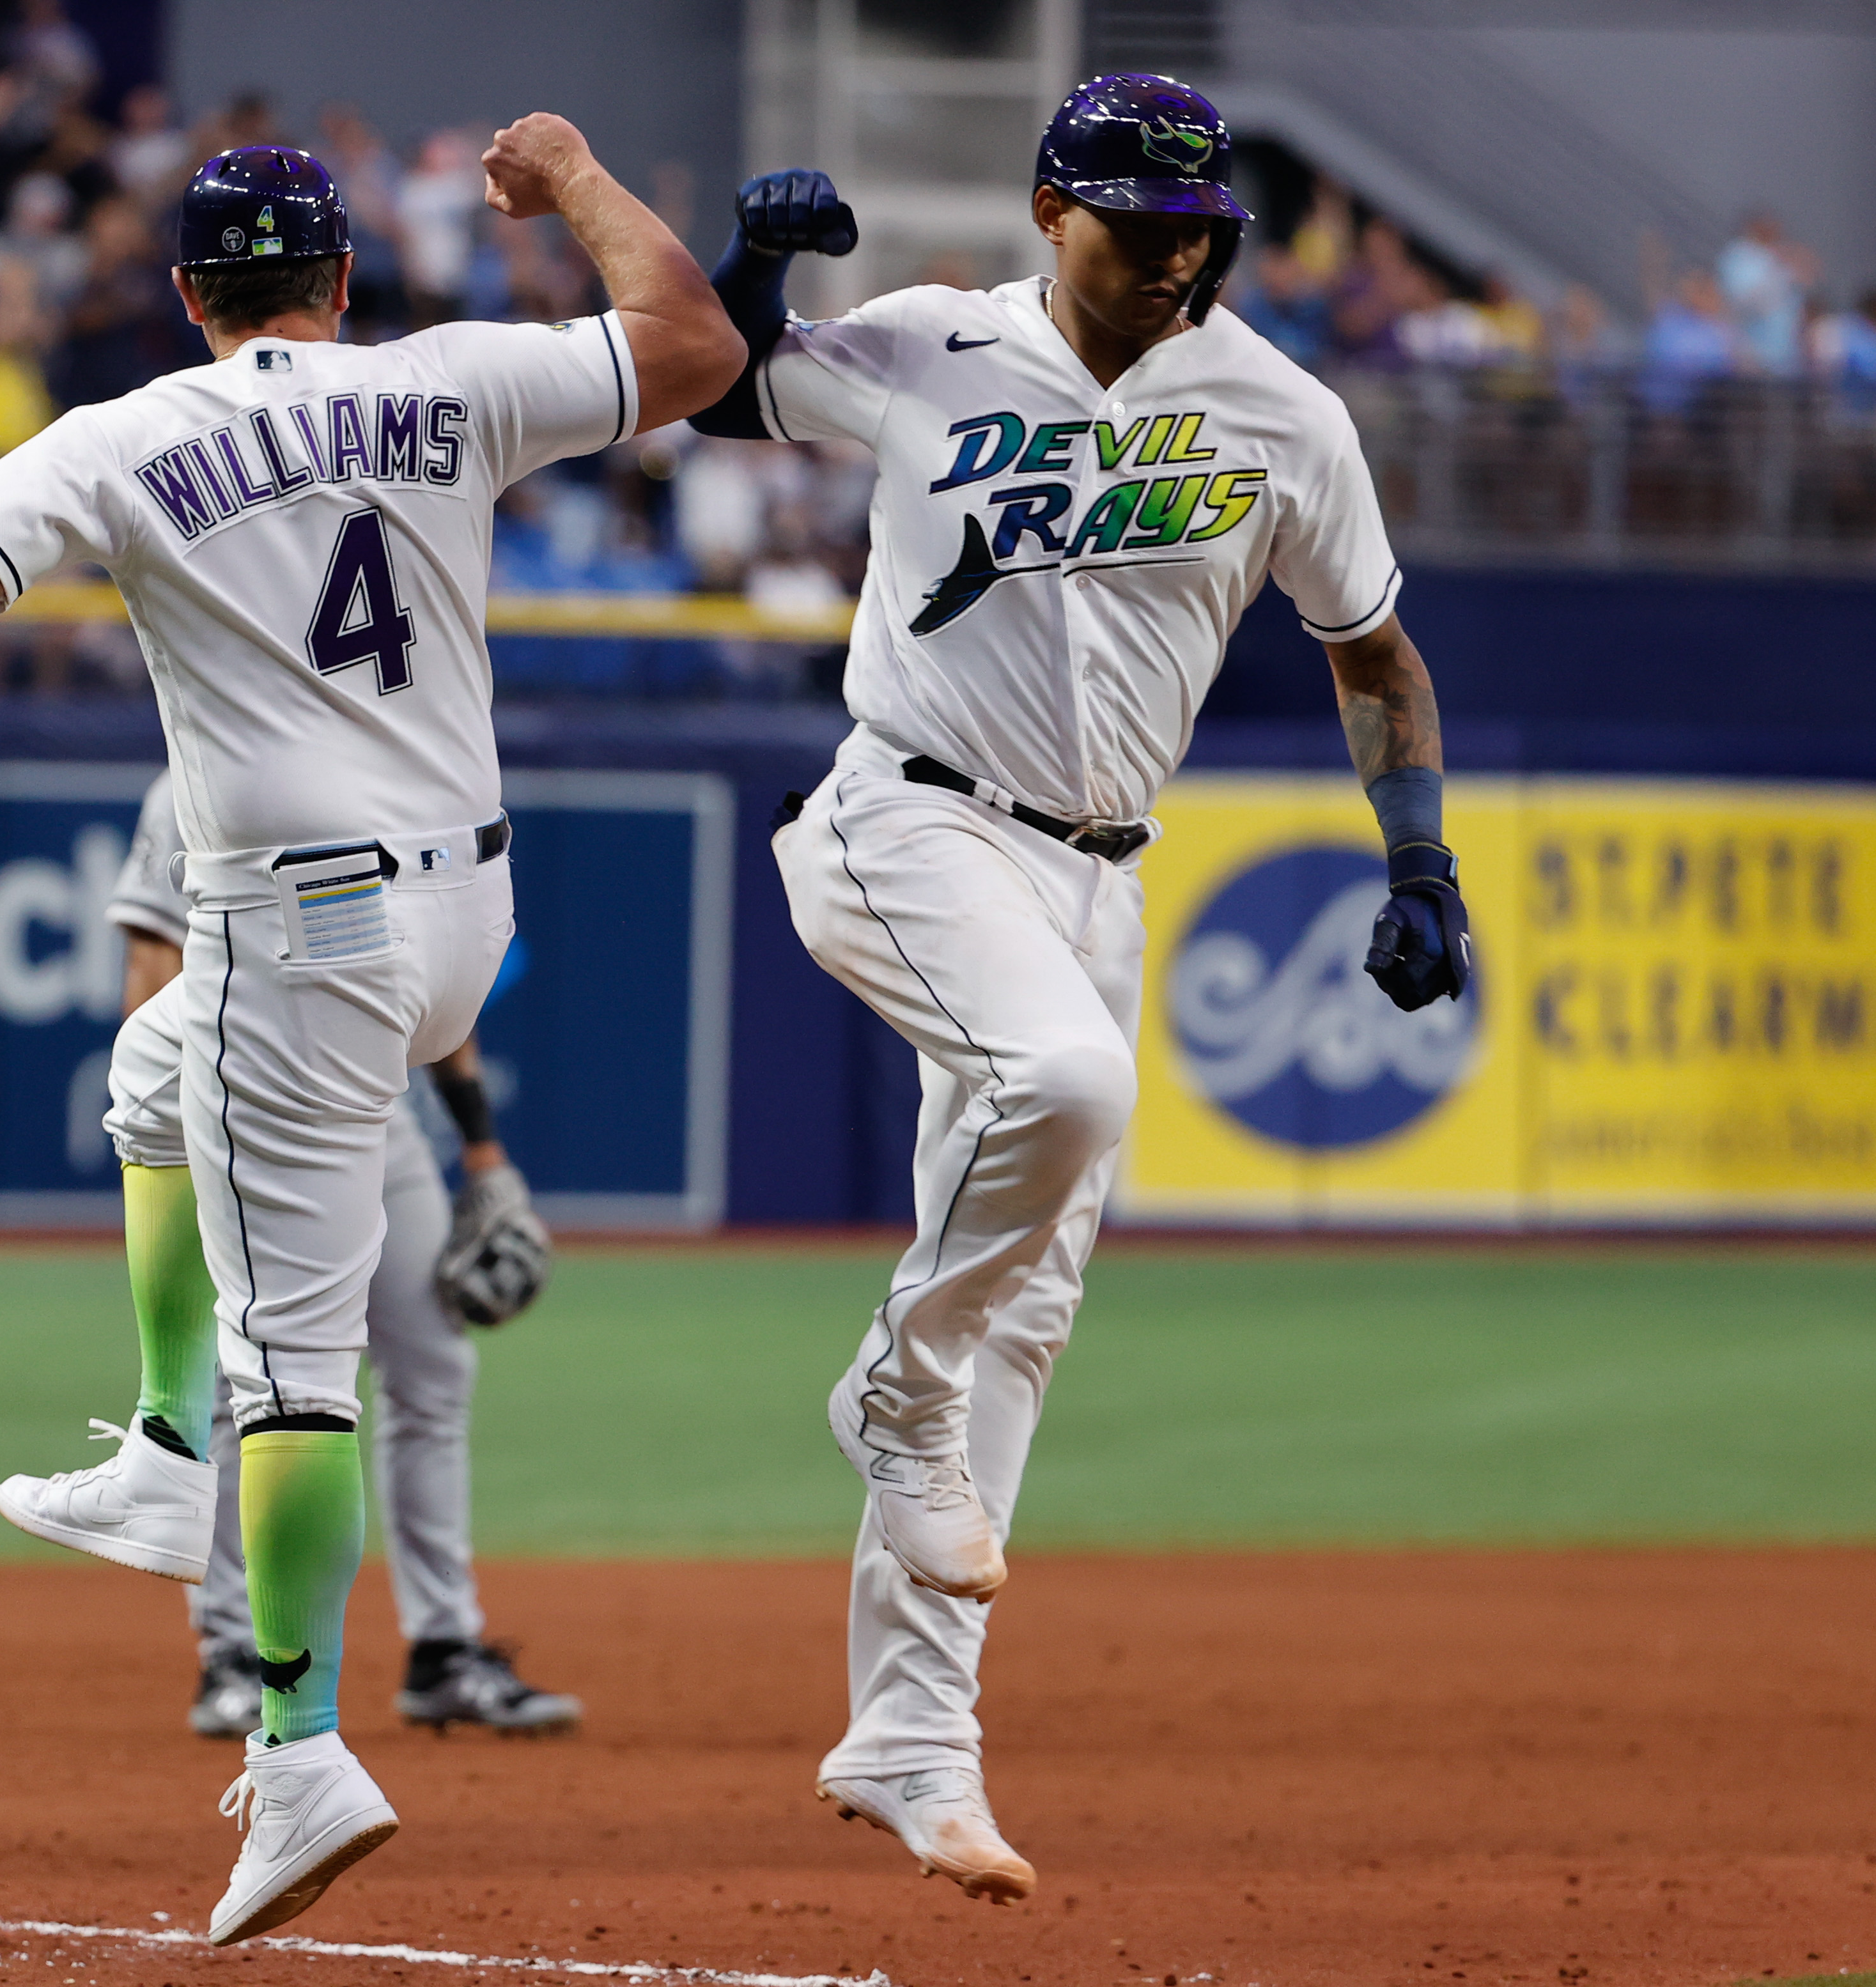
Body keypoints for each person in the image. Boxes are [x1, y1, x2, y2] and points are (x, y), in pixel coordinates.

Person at [0, 126, 738, 1944]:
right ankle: (168, 1455)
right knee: (145, 1078)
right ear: (340, 280)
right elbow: (698, 344)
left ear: (188, 294)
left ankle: (303, 1741)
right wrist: (564, 174)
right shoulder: (447, 379)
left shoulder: (128, 431)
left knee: (304, 1358)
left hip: (296, 924)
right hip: (462, 917)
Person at [689, 75, 1472, 1905]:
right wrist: (749, 264)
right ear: (1054, 211)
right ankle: (891, 1388)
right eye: (1142, 224)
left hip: (1100, 871)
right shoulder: (928, 343)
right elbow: (722, 386)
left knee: (1023, 1323)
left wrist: (1420, 854)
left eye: (1205, 229)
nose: (1179, 255)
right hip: (907, 815)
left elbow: (1373, 648)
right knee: (1068, 1089)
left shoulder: (1282, 410)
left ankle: (914, 1735)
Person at [98, 768, 577, 1740]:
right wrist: (183, 1126)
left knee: (434, 1363)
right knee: (250, 1386)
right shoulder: (192, 776)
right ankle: (231, 1652)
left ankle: (445, 1646)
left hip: (377, 1112)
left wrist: (481, 1145)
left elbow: (435, 976)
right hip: (248, 1108)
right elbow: (151, 965)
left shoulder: (382, 764)